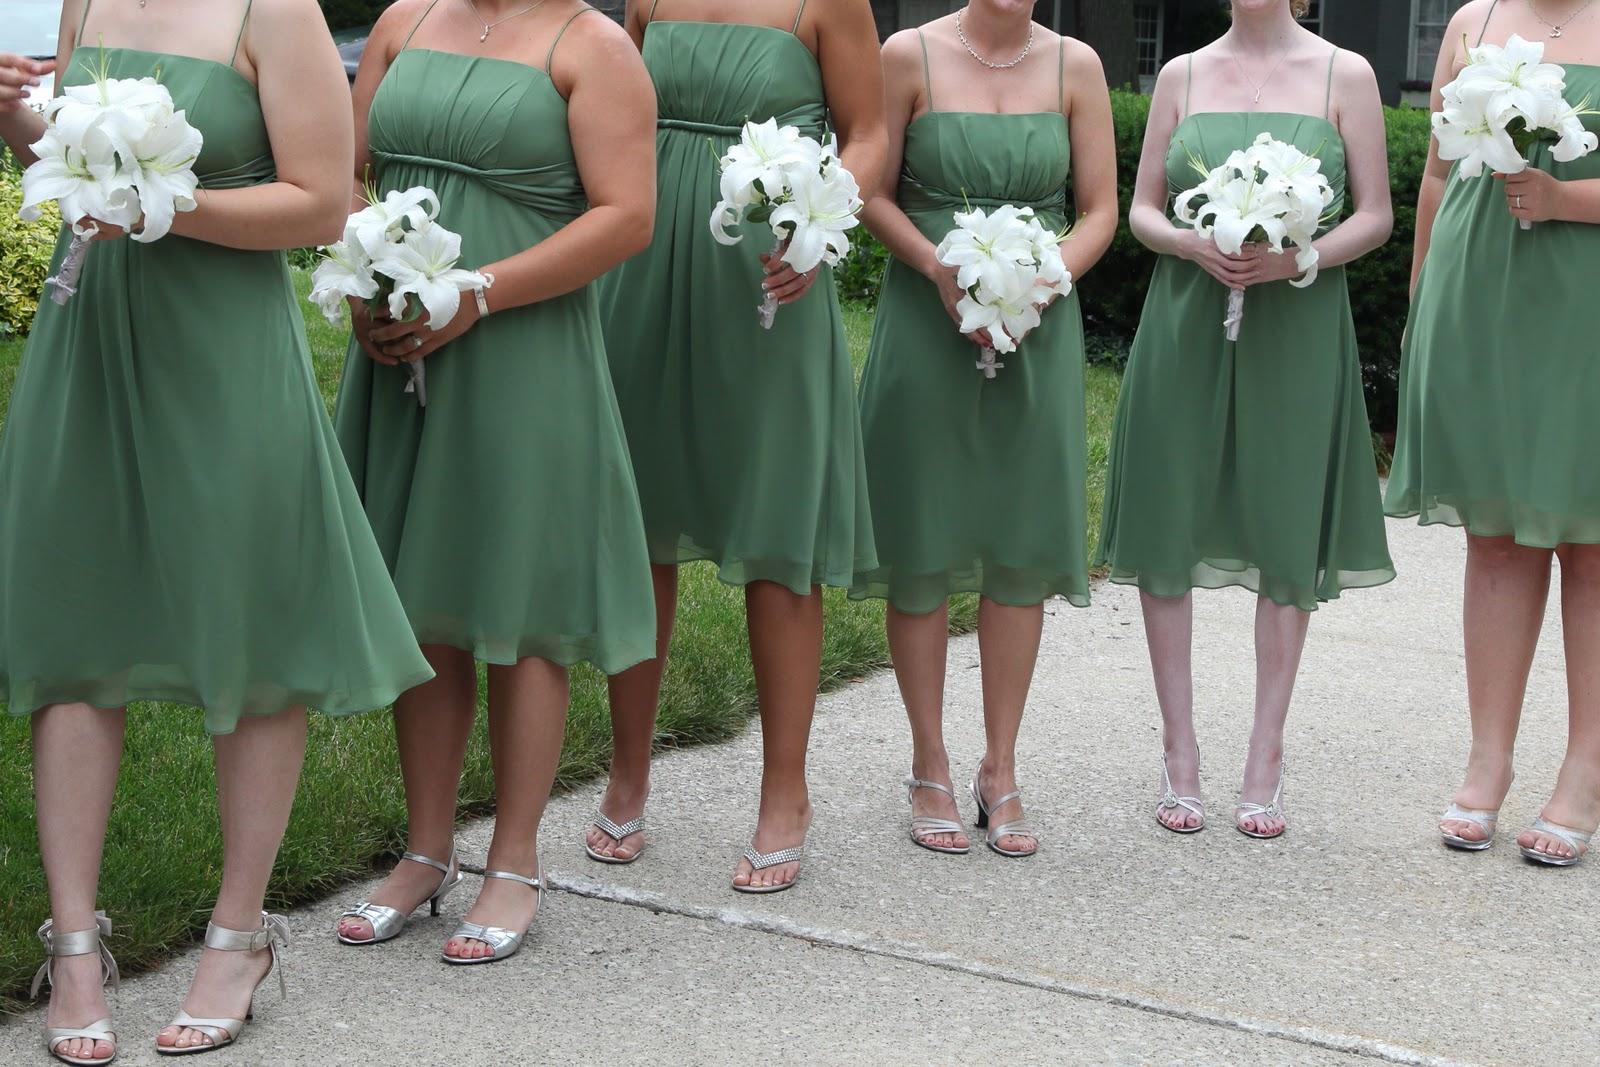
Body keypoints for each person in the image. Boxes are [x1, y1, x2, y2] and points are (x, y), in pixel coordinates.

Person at [0, 0, 433, 1059]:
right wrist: (18, 122)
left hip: (225, 352)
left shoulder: (273, 12)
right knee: (74, 631)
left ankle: (237, 939)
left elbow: (320, 204)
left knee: (253, 632)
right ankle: (72, 947)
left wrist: (155, 205)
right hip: (88, 338)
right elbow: (59, 166)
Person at [331, 0, 659, 960]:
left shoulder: (594, 47)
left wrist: (476, 291)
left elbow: (627, 217)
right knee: (422, 596)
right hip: (399, 342)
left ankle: (514, 859)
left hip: (523, 347)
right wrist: (371, 273)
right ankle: (427, 849)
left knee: (518, 601)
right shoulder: (401, 20)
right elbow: (348, 173)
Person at [588, 0, 887, 893]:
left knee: (776, 524)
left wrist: (821, 228)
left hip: (770, 280)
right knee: (639, 522)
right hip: (643, 269)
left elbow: (868, 131)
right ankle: (629, 769)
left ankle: (785, 791)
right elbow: (616, 111)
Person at [1096, 0, 1394, 839]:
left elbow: (1375, 215)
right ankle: (1179, 749)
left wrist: (1298, 258)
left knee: (1285, 520)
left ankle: (1266, 754)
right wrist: (1194, 245)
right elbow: (1144, 210)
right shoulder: (1183, 74)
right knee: (1167, 514)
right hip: (1186, 319)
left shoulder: (1348, 74)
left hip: (1298, 325)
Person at [852, 2, 1117, 858]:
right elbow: (871, 193)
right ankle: (929, 758)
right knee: (921, 540)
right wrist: (941, 269)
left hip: (1038, 325)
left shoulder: (1076, 64)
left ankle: (999, 766)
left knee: (1018, 545)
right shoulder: (906, 53)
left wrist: (1039, 283)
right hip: (925, 318)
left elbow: (1100, 210)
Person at [1388, 0, 1600, 867]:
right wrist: (1422, 304)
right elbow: (1440, 173)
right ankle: (1489, 756)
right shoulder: (1472, 18)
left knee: (1592, 542)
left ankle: (1584, 770)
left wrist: (1562, 199)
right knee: (1497, 538)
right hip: (1478, 294)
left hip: (1584, 305)